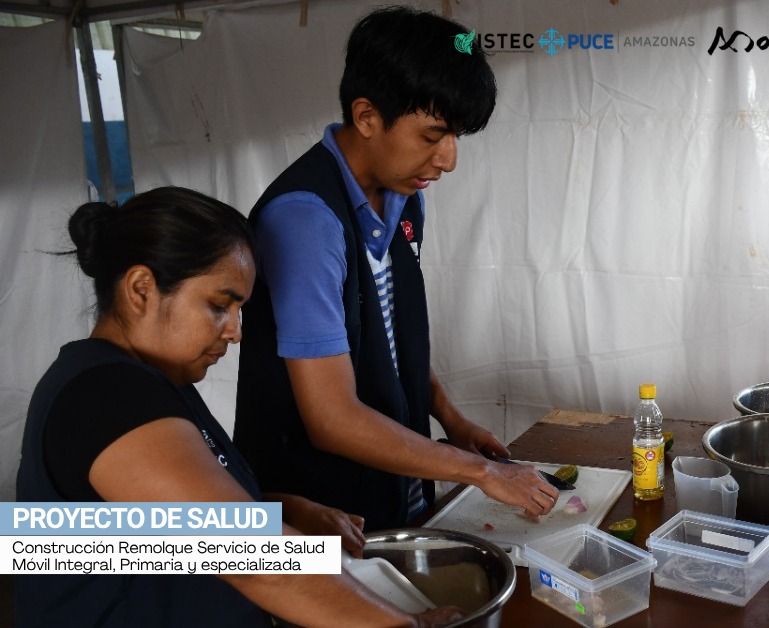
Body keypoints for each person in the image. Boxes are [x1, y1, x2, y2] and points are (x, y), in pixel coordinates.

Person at [16, 187, 462, 627]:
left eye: (238, 310)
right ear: (141, 289)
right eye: (218, 306)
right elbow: (250, 555)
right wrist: (407, 625)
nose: (235, 331)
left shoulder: (150, 380)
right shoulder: (106, 396)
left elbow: (150, 530)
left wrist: (282, 509)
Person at [233, 6, 556, 533]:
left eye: (456, 137)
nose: (448, 159)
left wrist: (449, 418)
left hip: (395, 487)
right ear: (366, 116)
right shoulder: (305, 221)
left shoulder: (403, 197)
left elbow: (389, 339)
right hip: (318, 511)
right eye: (432, 136)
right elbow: (331, 418)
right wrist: (479, 471)